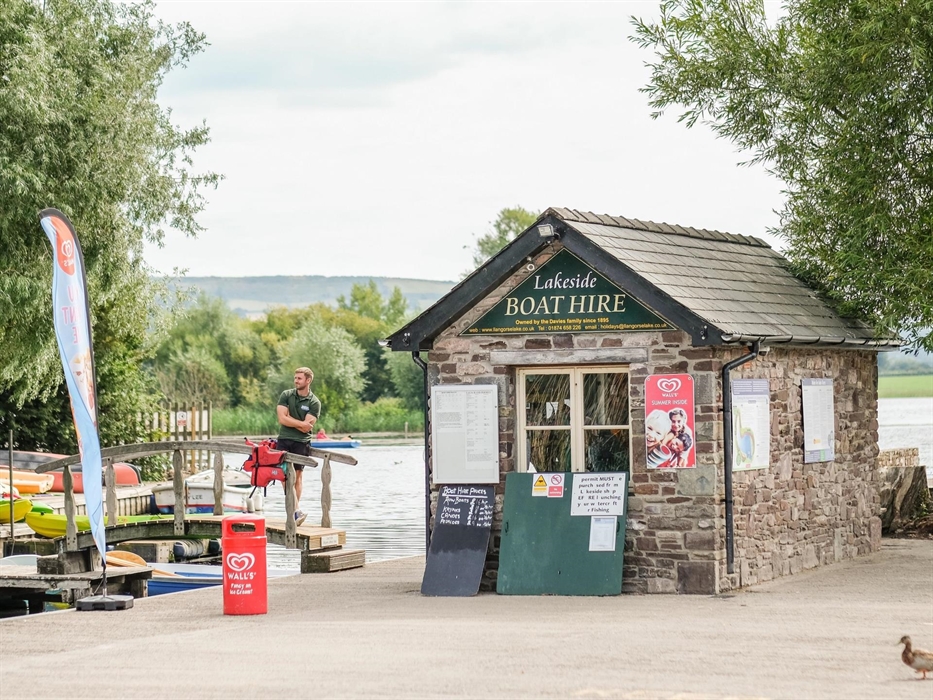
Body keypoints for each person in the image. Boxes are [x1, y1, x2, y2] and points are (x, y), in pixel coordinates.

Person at [276, 367, 321, 526]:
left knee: (297, 477)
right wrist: (299, 422)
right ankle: (296, 510)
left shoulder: (314, 402)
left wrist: (291, 419)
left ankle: (294, 512)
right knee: (284, 475)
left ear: (308, 380)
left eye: (299, 378)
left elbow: (305, 428)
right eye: (295, 378)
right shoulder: (286, 395)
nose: (296, 381)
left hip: (301, 442)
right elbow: (282, 419)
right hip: (284, 439)